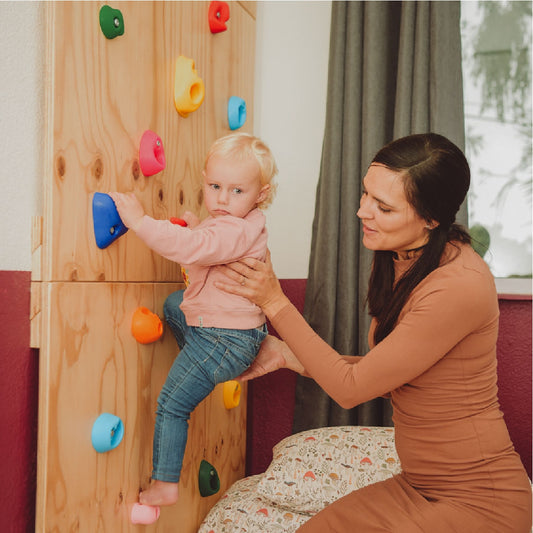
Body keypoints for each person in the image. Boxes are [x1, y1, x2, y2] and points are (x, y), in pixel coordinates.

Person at [215, 133, 532, 532]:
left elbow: (351, 388)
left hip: (480, 502)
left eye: (383, 207)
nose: (363, 211)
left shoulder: (458, 285)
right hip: (419, 486)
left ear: (431, 219)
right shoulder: (401, 256)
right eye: (366, 194)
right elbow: (390, 378)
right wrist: (288, 357)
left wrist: (274, 301)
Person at [110, 132, 278, 507]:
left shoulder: (231, 228)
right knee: (174, 304)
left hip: (222, 340)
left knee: (172, 405)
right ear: (204, 179)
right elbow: (210, 240)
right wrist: (196, 225)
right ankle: (205, 368)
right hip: (234, 336)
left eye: (237, 191)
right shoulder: (244, 223)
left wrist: (140, 222)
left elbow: (197, 247)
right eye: (215, 186)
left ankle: (165, 484)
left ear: (261, 194)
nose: (222, 198)